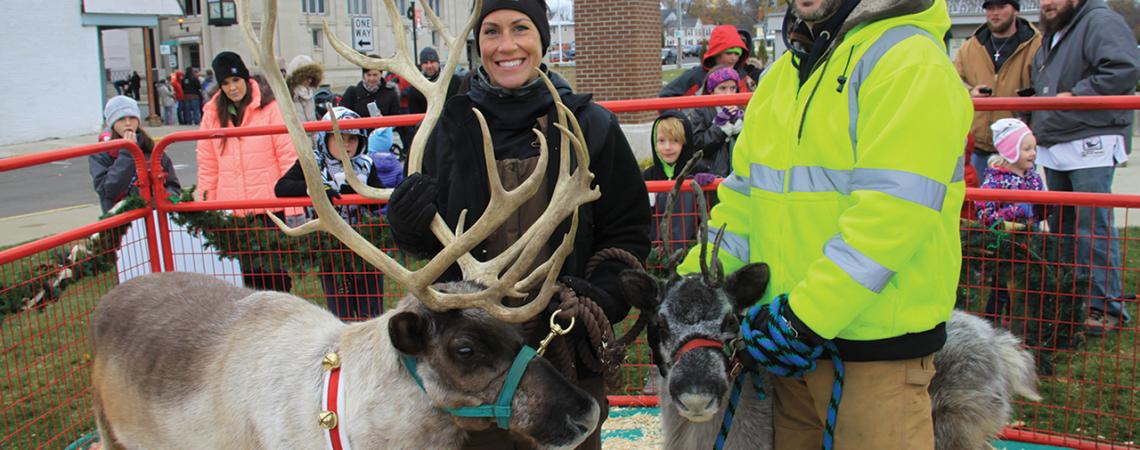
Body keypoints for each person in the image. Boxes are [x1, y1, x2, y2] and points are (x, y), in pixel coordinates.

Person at [678, 0, 973, 446]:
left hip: (871, 360)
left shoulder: (909, 60)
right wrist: (691, 286)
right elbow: (743, 202)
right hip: (788, 352)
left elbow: (892, 216)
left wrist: (805, 318)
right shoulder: (783, 77)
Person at [384, 1, 651, 448]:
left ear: (542, 39)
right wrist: (408, 227)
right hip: (474, 372)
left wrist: (595, 298)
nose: (506, 46)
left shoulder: (592, 126)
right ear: (478, 43)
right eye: (491, 31)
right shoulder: (446, 130)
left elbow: (628, 236)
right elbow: (431, 251)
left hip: (566, 358)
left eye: (521, 28)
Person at [1031, 0, 1140, 335]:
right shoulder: (1053, 33)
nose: (1046, 3)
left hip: (1090, 137)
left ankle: (1106, 306)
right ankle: (1071, 301)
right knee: (1062, 226)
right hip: (1057, 139)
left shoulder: (1099, 21)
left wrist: (1076, 94)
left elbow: (1123, 69)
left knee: (1092, 225)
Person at [275, 107, 401, 320]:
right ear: (326, 138)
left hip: (364, 244)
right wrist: (318, 189)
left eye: (353, 138)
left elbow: (378, 201)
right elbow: (282, 188)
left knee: (370, 306)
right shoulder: (312, 161)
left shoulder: (366, 163)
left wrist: (361, 194)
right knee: (339, 306)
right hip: (330, 246)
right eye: (340, 137)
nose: (347, 144)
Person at [197, 51, 299, 293]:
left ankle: (282, 318)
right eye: (226, 83)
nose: (232, 88)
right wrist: (206, 204)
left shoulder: (270, 108)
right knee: (249, 274)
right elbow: (208, 162)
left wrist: (293, 203)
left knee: (274, 272)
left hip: (268, 206)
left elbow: (287, 155)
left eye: (236, 81)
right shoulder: (213, 115)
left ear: (245, 78)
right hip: (235, 207)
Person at [953, 0, 1041, 178]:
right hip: (979, 146)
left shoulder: (1036, 45)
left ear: (1015, 9)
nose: (995, 13)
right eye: (990, 8)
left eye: (1001, 7)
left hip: (1017, 149)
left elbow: (1046, 83)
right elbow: (953, 80)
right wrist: (970, 91)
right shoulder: (970, 46)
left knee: (1018, 203)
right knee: (978, 203)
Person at [90, 96, 182, 214]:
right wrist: (128, 153)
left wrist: (166, 199)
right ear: (112, 124)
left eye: (132, 118)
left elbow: (174, 187)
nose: (128, 123)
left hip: (156, 218)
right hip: (122, 222)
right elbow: (108, 191)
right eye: (121, 119)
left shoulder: (153, 150)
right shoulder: (101, 154)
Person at [642, 112, 716, 253]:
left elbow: (714, 205)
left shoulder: (698, 171)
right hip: (656, 253)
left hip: (691, 250)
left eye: (675, 140)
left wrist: (709, 187)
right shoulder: (648, 176)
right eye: (661, 141)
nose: (668, 147)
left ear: (685, 142)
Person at [659, 24, 751, 98]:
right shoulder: (696, 76)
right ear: (716, 53)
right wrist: (681, 120)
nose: (733, 58)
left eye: (737, 54)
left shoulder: (744, 75)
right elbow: (665, 96)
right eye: (728, 53)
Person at [687, 66, 745, 176]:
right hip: (712, 176)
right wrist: (719, 126)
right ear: (711, 91)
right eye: (722, 88)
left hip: (738, 176)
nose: (729, 94)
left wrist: (740, 123)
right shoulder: (699, 112)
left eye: (732, 88)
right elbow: (698, 147)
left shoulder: (741, 111)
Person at [340, 56, 400, 126]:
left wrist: (384, 121)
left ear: (381, 74)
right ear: (363, 75)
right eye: (368, 75)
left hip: (382, 133)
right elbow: (343, 115)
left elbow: (396, 117)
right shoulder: (352, 92)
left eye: (375, 75)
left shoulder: (390, 93)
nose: (372, 78)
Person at [403, 47, 463, 115]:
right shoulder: (416, 88)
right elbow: (414, 115)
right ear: (421, 65)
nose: (429, 66)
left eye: (432, 62)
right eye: (425, 63)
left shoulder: (454, 81)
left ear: (438, 62)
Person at [286, 55, 324, 124]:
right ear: (298, 78)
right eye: (306, 77)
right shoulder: (290, 95)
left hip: (313, 132)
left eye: (311, 77)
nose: (309, 80)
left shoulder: (310, 93)